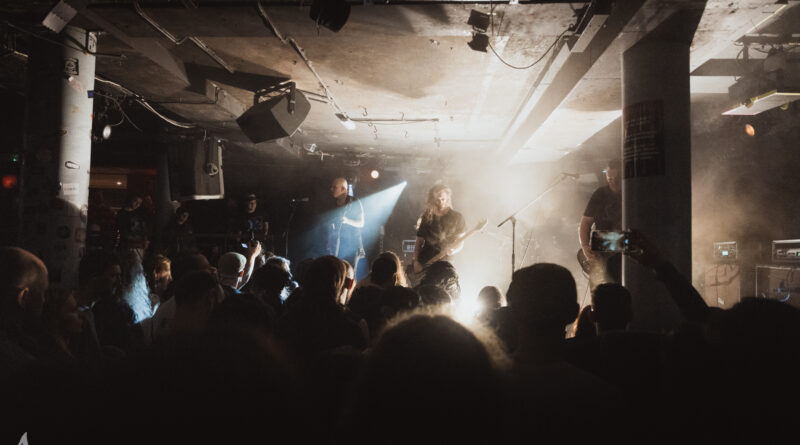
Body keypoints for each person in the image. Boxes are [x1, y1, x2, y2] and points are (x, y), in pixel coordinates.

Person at [578, 158, 622, 288]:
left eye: (616, 178)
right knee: (598, 294)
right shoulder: (600, 194)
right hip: (602, 255)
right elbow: (585, 223)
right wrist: (585, 247)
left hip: (620, 257)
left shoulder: (630, 194)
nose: (613, 181)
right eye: (609, 178)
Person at [413, 184, 466, 275]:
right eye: (437, 200)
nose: (440, 202)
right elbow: (419, 241)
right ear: (432, 200)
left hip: (446, 263)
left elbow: (460, 241)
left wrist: (454, 250)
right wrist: (416, 261)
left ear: (447, 198)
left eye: (442, 199)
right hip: (426, 261)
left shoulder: (457, 217)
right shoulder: (427, 217)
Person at [327, 178, 365, 274]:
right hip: (337, 246)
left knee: (349, 273)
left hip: (352, 245)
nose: (331, 189)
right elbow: (331, 225)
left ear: (344, 189)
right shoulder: (332, 204)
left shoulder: (354, 201)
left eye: (334, 187)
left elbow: (361, 223)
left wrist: (347, 221)